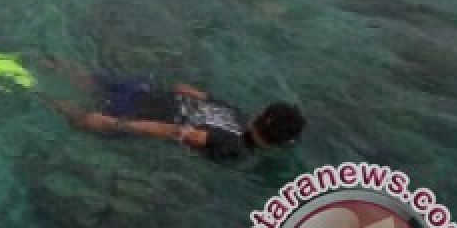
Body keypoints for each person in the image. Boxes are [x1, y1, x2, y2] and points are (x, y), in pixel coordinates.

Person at [41, 61, 306, 161]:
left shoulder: (235, 113)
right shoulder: (235, 147)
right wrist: (116, 125)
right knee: (77, 116)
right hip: (135, 112)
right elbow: (181, 132)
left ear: (260, 115)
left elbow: (188, 90)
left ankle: (40, 61)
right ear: (280, 143)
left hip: (144, 91)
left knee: (88, 78)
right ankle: (32, 88)